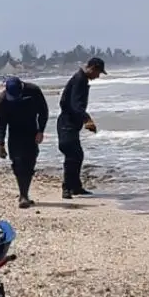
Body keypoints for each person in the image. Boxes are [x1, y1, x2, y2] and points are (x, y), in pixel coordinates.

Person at [0, 76, 49, 208]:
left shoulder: (34, 91)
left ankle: (24, 193)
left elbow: (43, 112)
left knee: (30, 163)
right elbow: (0, 123)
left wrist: (41, 130)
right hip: (14, 133)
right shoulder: (3, 99)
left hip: (31, 131)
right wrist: (0, 142)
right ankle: (23, 195)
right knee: (18, 163)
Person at [56, 57, 106, 199]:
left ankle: (75, 187)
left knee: (76, 155)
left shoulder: (81, 79)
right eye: (98, 72)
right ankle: (67, 188)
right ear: (93, 68)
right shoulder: (79, 80)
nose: (98, 76)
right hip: (66, 123)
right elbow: (74, 105)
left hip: (70, 123)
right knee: (72, 155)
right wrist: (87, 119)